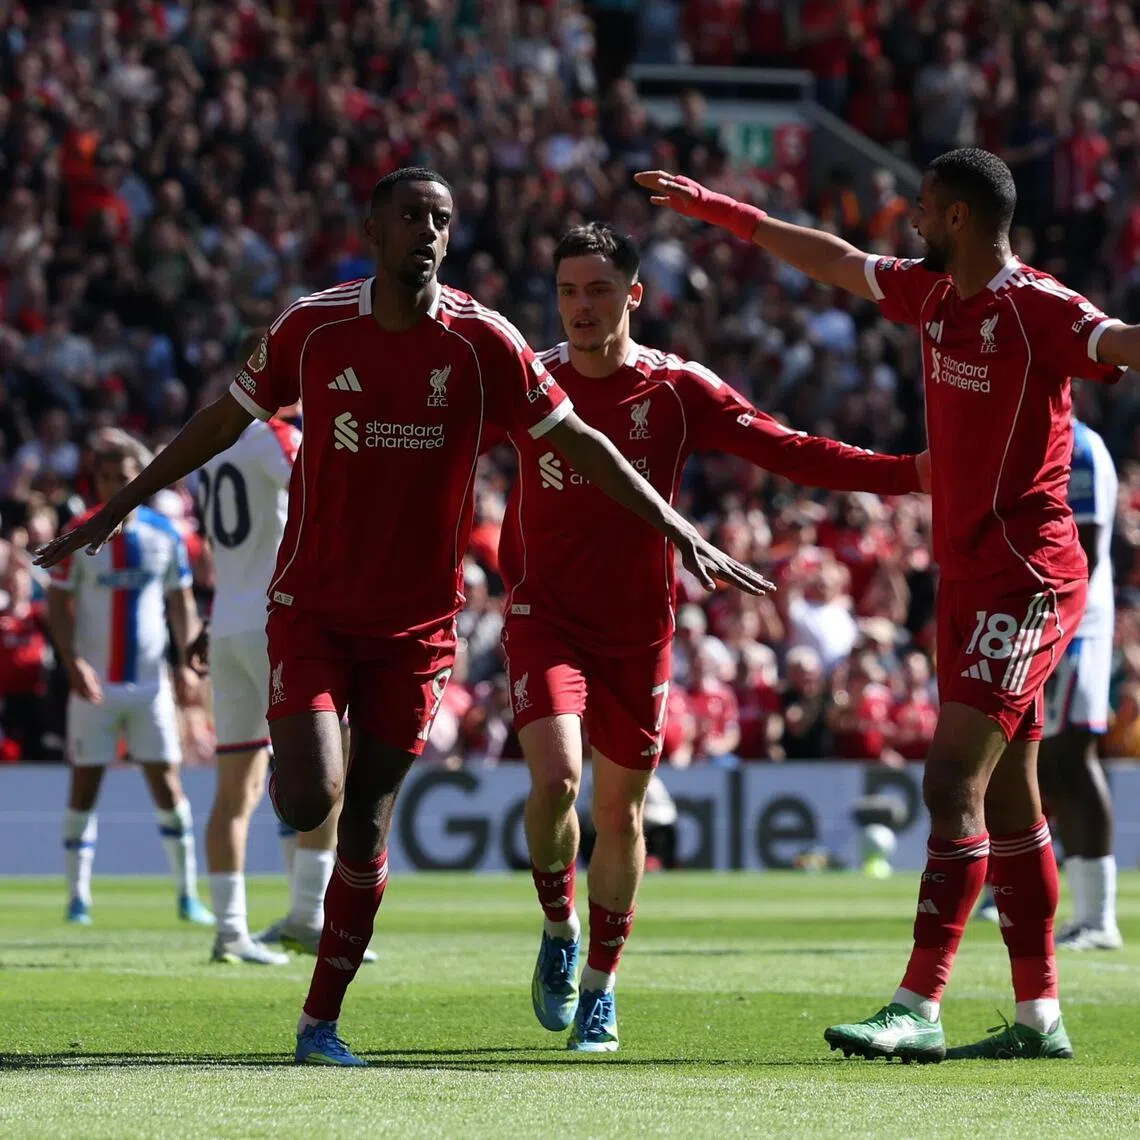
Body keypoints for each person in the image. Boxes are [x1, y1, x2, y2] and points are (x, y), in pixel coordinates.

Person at [34, 167, 769, 1067]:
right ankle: (309, 836)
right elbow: (221, 422)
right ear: (374, 229)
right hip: (312, 609)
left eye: (443, 219)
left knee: (367, 821)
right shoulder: (312, 327)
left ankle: (320, 1023)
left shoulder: (481, 341)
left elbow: (579, 438)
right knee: (308, 794)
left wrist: (676, 523)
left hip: (417, 628)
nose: (428, 231)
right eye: (411, 217)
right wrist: (119, 507)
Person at [635, 147, 1140, 1061]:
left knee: (951, 783)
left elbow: (1119, 343)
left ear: (956, 216)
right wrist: (718, 209)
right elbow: (829, 257)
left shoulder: (1039, 309)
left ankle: (920, 1003)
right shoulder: (932, 296)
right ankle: (1040, 1017)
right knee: (1017, 804)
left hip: (1028, 577)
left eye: (920, 207)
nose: (906, 220)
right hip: (964, 573)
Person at [504, 222, 928, 1052]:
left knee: (621, 815)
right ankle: (559, 928)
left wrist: (906, 473)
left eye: (596, 291)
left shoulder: (674, 388)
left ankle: (602, 987)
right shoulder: (530, 379)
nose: (579, 308)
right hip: (543, 616)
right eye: (566, 292)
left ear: (633, 296)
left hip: (638, 629)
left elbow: (789, 451)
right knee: (557, 781)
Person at [195, 390, 378, 967]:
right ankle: (307, 915)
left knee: (235, 790)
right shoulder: (280, 436)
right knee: (329, 768)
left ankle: (230, 930)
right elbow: (331, 498)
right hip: (281, 624)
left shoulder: (214, 450)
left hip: (226, 621)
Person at [46, 433, 213, 927]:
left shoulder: (164, 535)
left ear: (140, 478)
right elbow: (56, 605)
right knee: (84, 785)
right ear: (95, 480)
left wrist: (186, 661)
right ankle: (78, 898)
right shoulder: (78, 533)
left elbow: (181, 604)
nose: (115, 486)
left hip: (149, 685)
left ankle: (187, 896)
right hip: (93, 685)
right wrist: (71, 661)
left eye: (124, 478)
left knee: (167, 784)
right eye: (106, 477)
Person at [1037, 418, 1122, 950]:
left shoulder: (1080, 445)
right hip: (1039, 615)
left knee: (1072, 757)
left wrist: (1054, 619)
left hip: (1076, 620)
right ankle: (1080, 908)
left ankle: (1098, 917)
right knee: (1046, 762)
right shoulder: (1030, 431)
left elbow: (1083, 546)